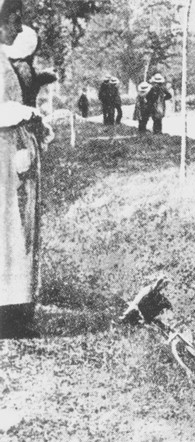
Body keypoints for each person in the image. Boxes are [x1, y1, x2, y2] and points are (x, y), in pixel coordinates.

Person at [1, 0, 47, 337]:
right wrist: (24, 114)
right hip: (3, 152)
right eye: (14, 20)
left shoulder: (5, 59)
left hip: (11, 149)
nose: (18, 28)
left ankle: (16, 306)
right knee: (7, 226)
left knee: (17, 228)